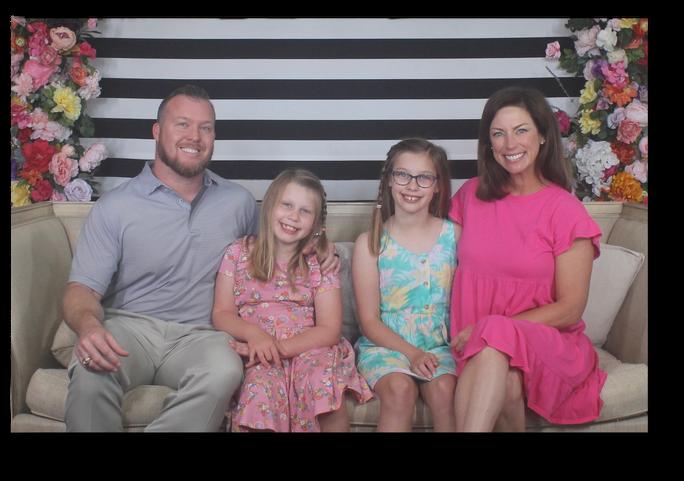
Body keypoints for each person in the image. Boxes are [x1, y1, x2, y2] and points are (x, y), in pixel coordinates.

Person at [63, 85, 339, 432]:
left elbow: (280, 245)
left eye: (205, 127)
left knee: (225, 371)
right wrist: (88, 326)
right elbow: (81, 290)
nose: (194, 136)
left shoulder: (237, 202)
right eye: (182, 124)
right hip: (130, 327)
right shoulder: (115, 207)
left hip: (203, 335)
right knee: (90, 369)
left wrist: (322, 245)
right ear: (157, 131)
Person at [449, 86, 607, 432]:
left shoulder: (565, 211)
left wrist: (489, 328)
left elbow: (570, 309)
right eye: (498, 134)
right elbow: (426, 253)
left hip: (545, 343)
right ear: (488, 143)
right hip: (473, 344)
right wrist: (330, 251)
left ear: (543, 136)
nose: (510, 144)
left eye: (521, 130)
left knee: (493, 335)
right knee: (505, 381)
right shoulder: (470, 196)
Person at [212, 168, 372, 432]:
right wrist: (255, 336)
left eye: (305, 211)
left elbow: (329, 329)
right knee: (259, 390)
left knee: (322, 382)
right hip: (259, 351)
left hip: (309, 347)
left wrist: (280, 348)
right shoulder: (238, 253)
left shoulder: (320, 262)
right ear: (269, 206)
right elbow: (221, 313)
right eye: (286, 205)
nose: (293, 216)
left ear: (316, 224)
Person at [352, 138, 458, 431]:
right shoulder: (370, 243)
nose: (412, 186)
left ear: (437, 185)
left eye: (424, 177)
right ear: (389, 180)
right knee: (400, 390)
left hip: (440, 346)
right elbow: (369, 321)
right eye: (402, 175)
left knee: (445, 390)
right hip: (386, 346)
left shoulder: (455, 236)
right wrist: (412, 354)